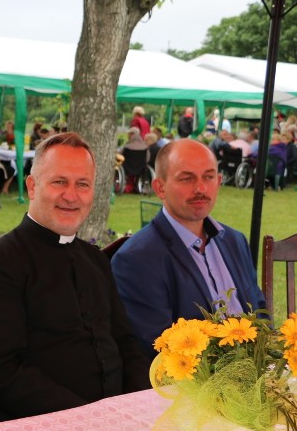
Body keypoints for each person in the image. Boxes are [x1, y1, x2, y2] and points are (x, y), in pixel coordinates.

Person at [0, 132, 150, 423]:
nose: (71, 195)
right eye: (59, 182)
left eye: (82, 185)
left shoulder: (95, 260)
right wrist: (88, 418)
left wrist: (141, 404)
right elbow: (1, 372)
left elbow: (126, 344)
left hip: (116, 422)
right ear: (32, 186)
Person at [111, 139, 266, 358]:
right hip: (194, 386)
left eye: (209, 177)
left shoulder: (235, 241)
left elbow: (260, 313)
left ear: (219, 181)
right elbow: (160, 350)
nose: (201, 188)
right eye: (187, 178)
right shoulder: (136, 260)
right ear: (160, 187)